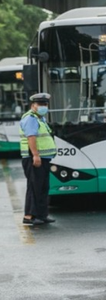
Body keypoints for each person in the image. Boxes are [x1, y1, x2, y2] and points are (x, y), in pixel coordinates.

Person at [19, 93, 57, 226]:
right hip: (34, 158)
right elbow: (31, 138)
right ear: (33, 106)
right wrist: (35, 155)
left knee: (42, 187)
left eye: (45, 104)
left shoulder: (40, 119)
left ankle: (41, 214)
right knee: (34, 187)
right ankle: (29, 216)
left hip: (44, 158)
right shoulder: (31, 119)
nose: (43, 107)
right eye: (40, 104)